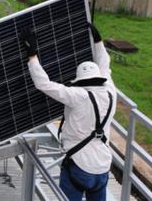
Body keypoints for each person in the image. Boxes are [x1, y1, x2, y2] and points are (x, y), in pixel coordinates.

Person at [22, 24, 116, 201]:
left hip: (78, 167)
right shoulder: (111, 92)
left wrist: (32, 55)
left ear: (80, 80)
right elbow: (105, 64)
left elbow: (44, 84)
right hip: (102, 168)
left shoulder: (77, 95)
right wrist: (98, 41)